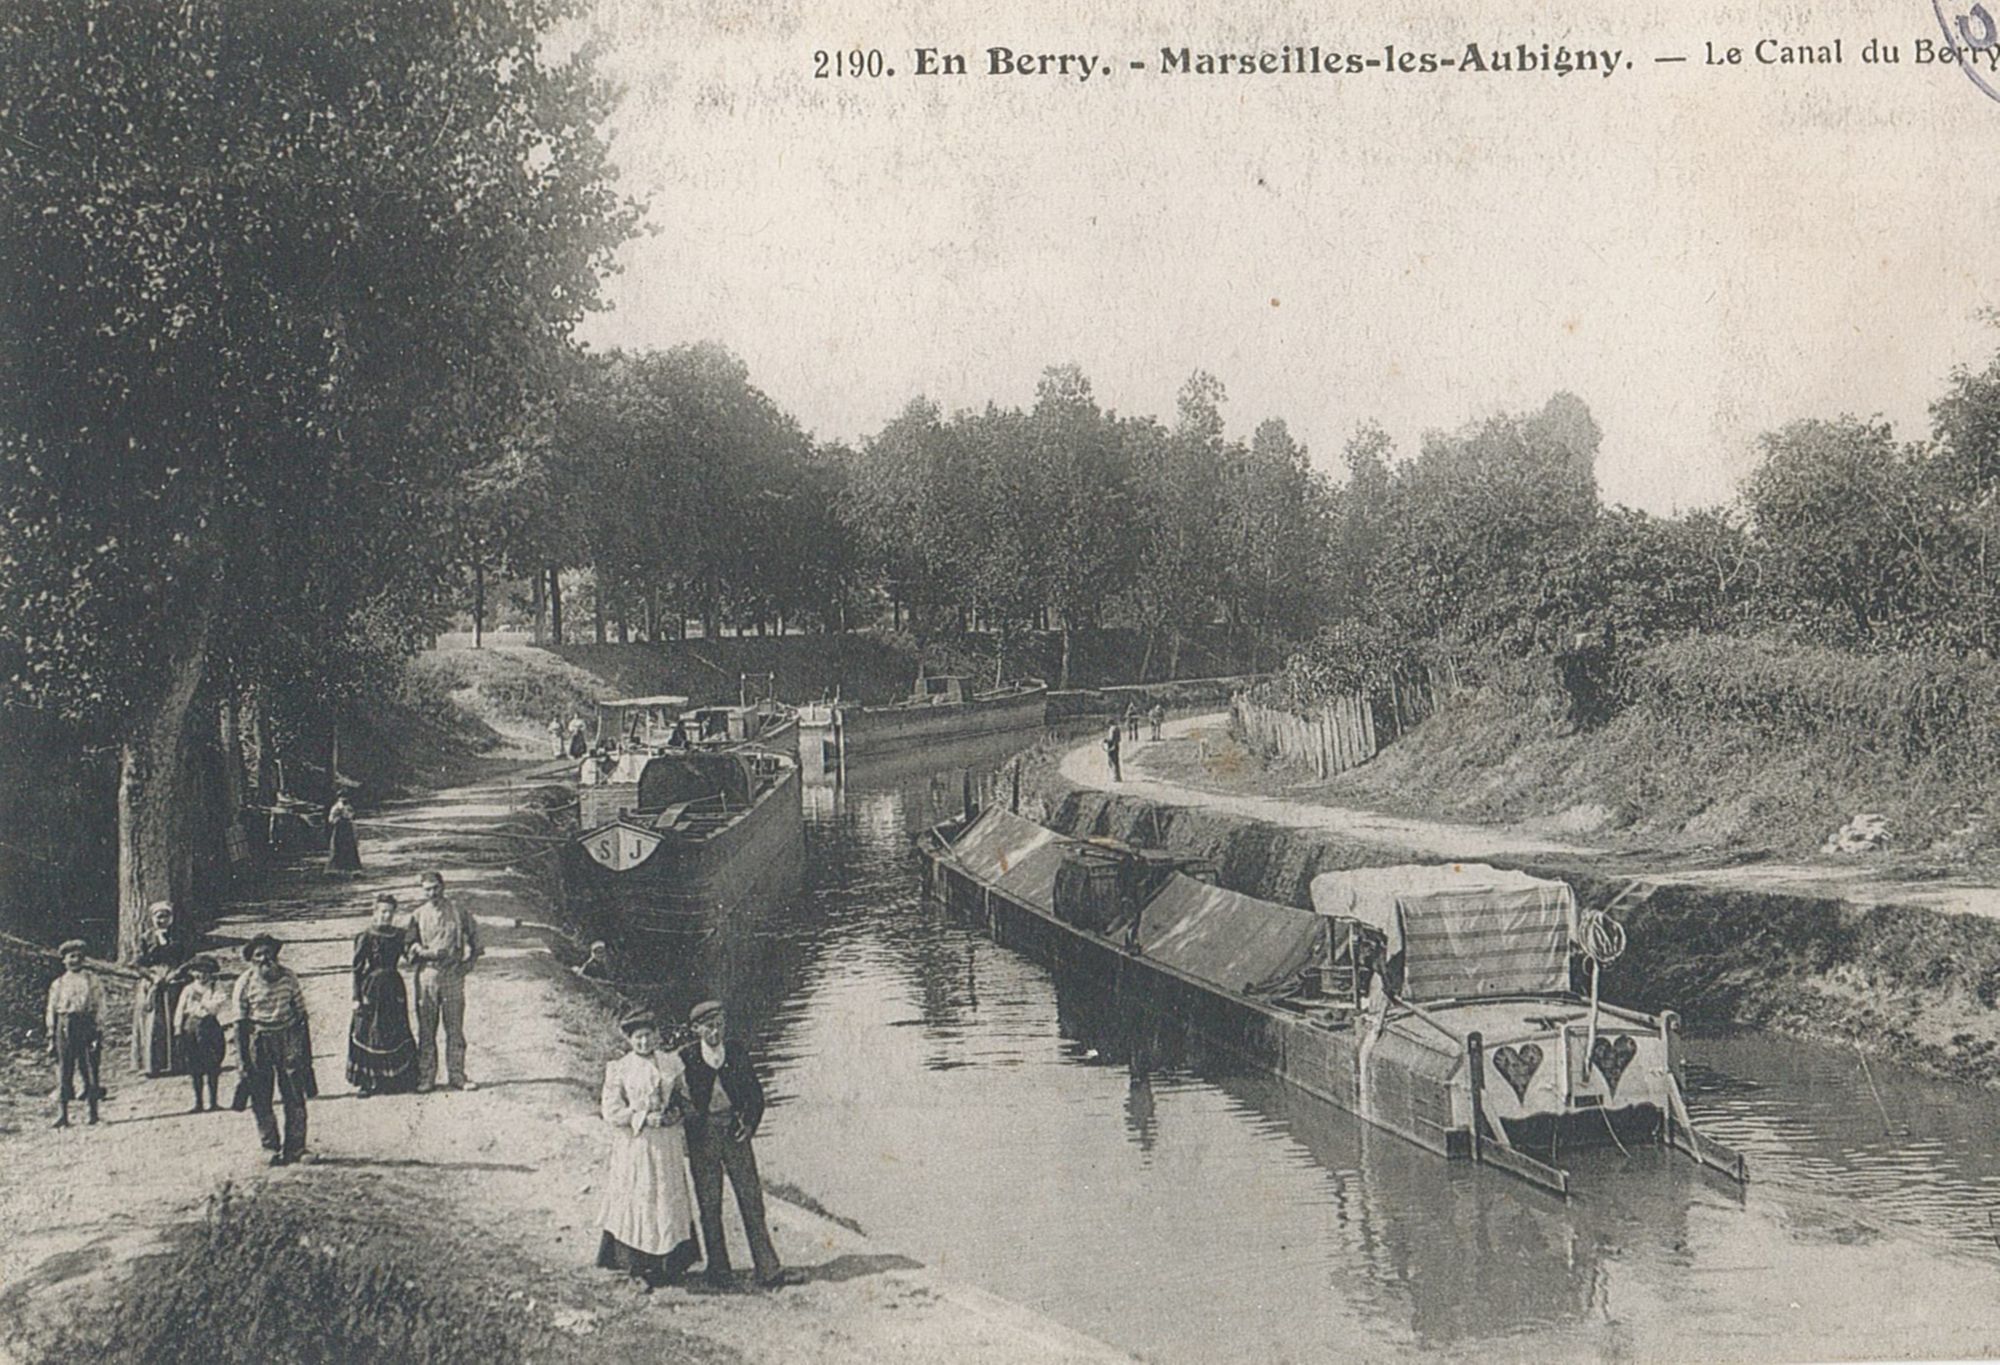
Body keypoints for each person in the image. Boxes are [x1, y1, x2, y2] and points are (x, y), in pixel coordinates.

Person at [678, 1000, 801, 1290]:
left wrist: (748, 1125)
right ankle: (719, 1272)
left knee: (751, 1200)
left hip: (736, 1135)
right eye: (708, 1027)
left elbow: (756, 1096)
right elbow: (679, 1099)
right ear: (696, 1029)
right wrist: (691, 1125)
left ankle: (768, 1269)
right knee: (709, 1204)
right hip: (703, 1139)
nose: (715, 1032)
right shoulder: (686, 1058)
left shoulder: (736, 1052)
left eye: (719, 1025)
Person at [596, 1011, 701, 1292]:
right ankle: (636, 1267)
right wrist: (641, 1116)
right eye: (638, 1037)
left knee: (665, 1196)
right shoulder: (620, 1068)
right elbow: (611, 1111)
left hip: (665, 1144)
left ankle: (669, 1265)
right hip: (636, 1144)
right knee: (639, 1196)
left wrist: (675, 1114)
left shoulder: (671, 1063)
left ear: (657, 1035)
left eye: (648, 1035)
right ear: (630, 1040)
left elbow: (684, 1098)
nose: (644, 1042)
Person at [234, 934, 314, 1165]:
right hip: (259, 1040)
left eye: (268, 953)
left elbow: (301, 1014)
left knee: (294, 1093)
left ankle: (297, 1147)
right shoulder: (245, 983)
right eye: (259, 955)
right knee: (261, 1095)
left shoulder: (289, 977)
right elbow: (240, 1023)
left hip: (288, 1036)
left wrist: (304, 1052)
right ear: (251, 959)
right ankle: (269, 1147)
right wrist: (243, 1060)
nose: (265, 959)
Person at [408, 869, 482, 1092]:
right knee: (426, 1029)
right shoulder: (417, 915)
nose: (432, 893)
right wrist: (422, 951)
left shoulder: (459, 912)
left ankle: (457, 1075)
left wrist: (468, 965)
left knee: (454, 1028)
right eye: (427, 890)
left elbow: (476, 941)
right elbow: (409, 947)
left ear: (443, 886)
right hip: (427, 977)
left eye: (435, 888)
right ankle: (426, 1077)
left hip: (452, 977)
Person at [348, 893, 418, 1096]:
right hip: (371, 986)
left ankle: (398, 1080)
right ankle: (367, 1082)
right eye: (383, 911)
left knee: (395, 1028)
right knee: (369, 1031)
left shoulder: (399, 934)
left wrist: (415, 948)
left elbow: (410, 957)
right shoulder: (366, 936)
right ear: (375, 912)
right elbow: (357, 969)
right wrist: (356, 996)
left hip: (393, 986)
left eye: (390, 912)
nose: (386, 915)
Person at [45, 939, 104, 1128]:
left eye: (79, 957)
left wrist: (98, 1028)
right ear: (64, 960)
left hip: (86, 1024)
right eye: (71, 957)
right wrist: (51, 1033)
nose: (75, 960)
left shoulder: (92, 980)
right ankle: (63, 1115)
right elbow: (51, 1009)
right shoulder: (59, 983)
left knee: (89, 1067)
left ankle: (93, 1113)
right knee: (64, 1069)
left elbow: (100, 1004)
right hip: (65, 1025)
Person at [131, 901, 194, 1077]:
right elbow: (137, 963)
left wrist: (176, 973)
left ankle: (178, 1063)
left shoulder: (179, 936)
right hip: (153, 982)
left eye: (165, 916)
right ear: (152, 919)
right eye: (157, 917)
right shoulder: (146, 937)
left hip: (175, 980)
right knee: (153, 1022)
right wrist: (152, 976)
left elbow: (188, 959)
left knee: (176, 1018)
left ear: (171, 918)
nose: (161, 920)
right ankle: (153, 1064)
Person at [173, 955, 229, 1113]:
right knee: (194, 1064)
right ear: (192, 973)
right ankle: (198, 1102)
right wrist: (178, 1028)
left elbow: (216, 1006)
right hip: (191, 1026)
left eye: (206, 972)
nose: (202, 975)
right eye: (198, 972)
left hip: (210, 1026)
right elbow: (180, 1009)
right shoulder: (188, 989)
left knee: (213, 1063)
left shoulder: (216, 987)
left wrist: (204, 1002)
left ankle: (213, 1102)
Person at [326, 793, 361, 874]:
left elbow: (352, 816)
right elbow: (331, 819)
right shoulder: (336, 807)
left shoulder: (348, 806)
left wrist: (350, 818)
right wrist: (339, 819)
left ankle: (353, 870)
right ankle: (335, 870)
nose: (344, 799)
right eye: (342, 797)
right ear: (338, 798)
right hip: (339, 830)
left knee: (350, 848)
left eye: (345, 797)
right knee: (338, 848)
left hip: (348, 830)